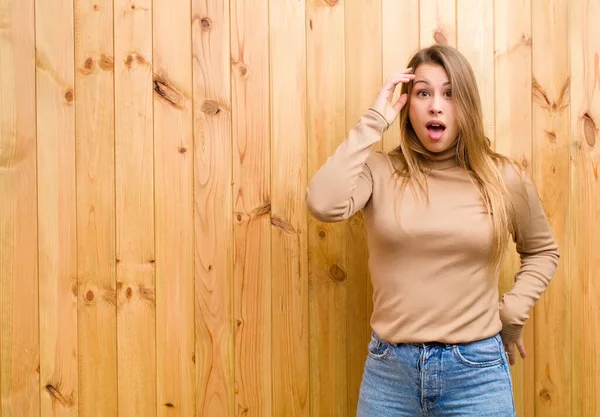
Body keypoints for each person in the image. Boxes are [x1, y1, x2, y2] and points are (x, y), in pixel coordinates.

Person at [305, 44, 559, 416]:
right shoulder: (379, 171)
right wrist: (375, 118)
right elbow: (323, 203)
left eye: (450, 94)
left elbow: (542, 251)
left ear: (466, 105)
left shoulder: (503, 177)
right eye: (423, 93)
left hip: (477, 377)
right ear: (408, 104)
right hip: (390, 375)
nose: (436, 105)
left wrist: (512, 311)